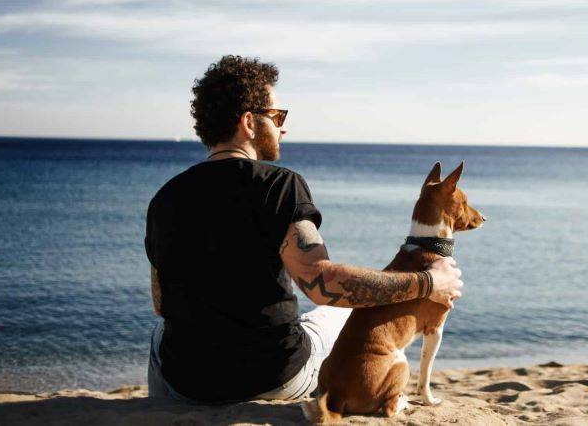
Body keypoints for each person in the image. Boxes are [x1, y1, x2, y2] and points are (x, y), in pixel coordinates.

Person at [145, 55, 463, 404]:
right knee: (337, 312)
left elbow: (161, 304)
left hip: (186, 385)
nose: (283, 128)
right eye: (278, 117)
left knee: (162, 330)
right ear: (249, 122)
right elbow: (322, 282)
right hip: (272, 377)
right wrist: (428, 283)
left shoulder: (164, 198)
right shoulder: (280, 185)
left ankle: (165, 399)